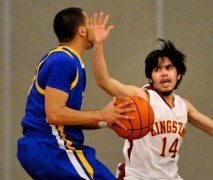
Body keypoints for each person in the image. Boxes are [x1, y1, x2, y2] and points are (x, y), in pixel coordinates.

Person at [91, 16, 213, 179]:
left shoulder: (183, 106)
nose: (163, 74)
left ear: (178, 74)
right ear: (150, 77)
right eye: (157, 70)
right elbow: (104, 81)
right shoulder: (143, 97)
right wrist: (98, 45)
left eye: (169, 68)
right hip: (138, 177)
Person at [17, 7, 136, 180]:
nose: (93, 27)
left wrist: (105, 120)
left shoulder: (68, 60)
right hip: (50, 147)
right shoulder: (63, 61)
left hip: (47, 148)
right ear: (81, 30)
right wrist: (101, 114)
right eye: (89, 22)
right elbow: (55, 114)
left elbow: (66, 120)